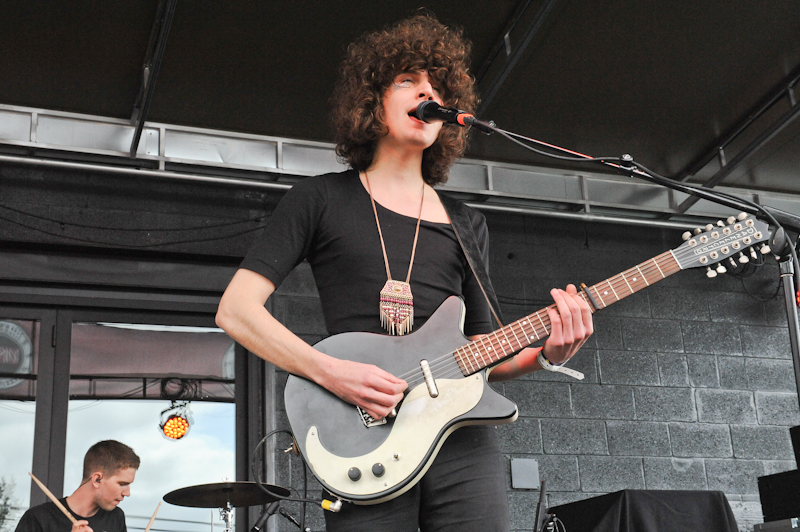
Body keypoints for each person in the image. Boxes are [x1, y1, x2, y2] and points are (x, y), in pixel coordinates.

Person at [216, 13, 593, 532]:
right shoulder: (319, 200)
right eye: (408, 81)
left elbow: (487, 353)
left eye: (439, 88)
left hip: (461, 442)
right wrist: (331, 373)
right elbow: (235, 311)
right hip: (363, 433)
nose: (427, 94)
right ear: (373, 99)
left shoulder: (465, 222)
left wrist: (549, 355)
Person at [15, 441, 139, 532]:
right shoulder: (38, 519)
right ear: (97, 479)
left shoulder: (115, 517)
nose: (127, 493)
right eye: (122, 484)